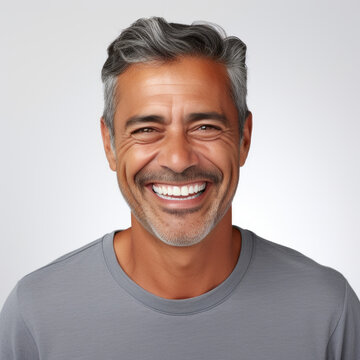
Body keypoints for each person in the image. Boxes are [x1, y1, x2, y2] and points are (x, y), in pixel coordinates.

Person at [0, 16, 359, 359]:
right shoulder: (35, 315)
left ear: (244, 139)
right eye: (146, 129)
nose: (177, 159)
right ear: (109, 144)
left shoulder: (329, 310)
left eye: (204, 126)